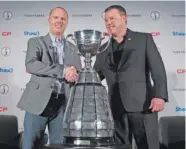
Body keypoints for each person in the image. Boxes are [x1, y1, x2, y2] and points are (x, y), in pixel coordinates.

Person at [94, 5, 168, 149]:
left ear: (124, 18)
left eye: (112, 18)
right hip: (115, 108)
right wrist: (78, 75)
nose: (108, 22)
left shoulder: (143, 39)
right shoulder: (102, 48)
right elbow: (96, 75)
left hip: (143, 105)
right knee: (120, 147)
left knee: (148, 145)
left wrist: (160, 96)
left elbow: (158, 70)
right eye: (106, 20)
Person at [17, 7, 81, 149]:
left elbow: (77, 72)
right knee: (30, 145)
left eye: (63, 18)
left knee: (59, 145)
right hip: (38, 102)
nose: (59, 21)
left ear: (67, 22)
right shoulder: (36, 42)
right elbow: (31, 65)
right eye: (56, 17)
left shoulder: (73, 47)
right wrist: (63, 71)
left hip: (62, 105)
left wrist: (75, 75)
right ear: (49, 19)